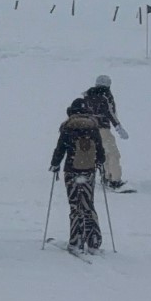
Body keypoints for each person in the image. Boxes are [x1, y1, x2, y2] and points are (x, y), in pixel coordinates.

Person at [50, 99, 107, 253]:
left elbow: (60, 148)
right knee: (88, 203)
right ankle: (94, 240)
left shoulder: (68, 127)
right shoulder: (93, 127)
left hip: (71, 171)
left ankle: (76, 240)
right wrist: (99, 163)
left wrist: (55, 164)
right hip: (88, 171)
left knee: (75, 205)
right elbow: (101, 153)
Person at [83, 75, 129, 189]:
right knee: (113, 154)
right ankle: (115, 180)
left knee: (102, 153)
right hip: (103, 129)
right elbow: (109, 112)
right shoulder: (105, 96)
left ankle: (105, 176)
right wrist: (119, 127)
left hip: (90, 129)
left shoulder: (87, 96)